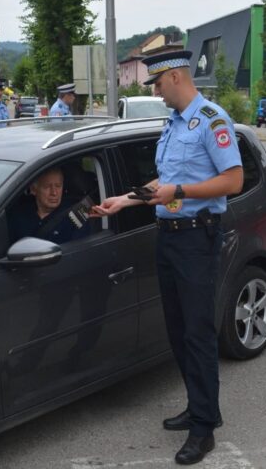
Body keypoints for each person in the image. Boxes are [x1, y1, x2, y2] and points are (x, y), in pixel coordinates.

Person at [92, 50, 243, 466]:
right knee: (177, 331)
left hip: (197, 239)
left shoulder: (212, 120)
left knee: (198, 332)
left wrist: (179, 193)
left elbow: (233, 180)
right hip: (169, 237)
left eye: (158, 84)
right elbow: (167, 180)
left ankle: (204, 428)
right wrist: (125, 199)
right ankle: (199, 405)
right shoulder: (174, 123)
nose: (156, 93)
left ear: (176, 77)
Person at [9, 167, 90, 245]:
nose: (54, 193)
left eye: (58, 186)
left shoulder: (77, 212)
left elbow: (80, 250)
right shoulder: (18, 214)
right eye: (47, 187)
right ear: (33, 189)